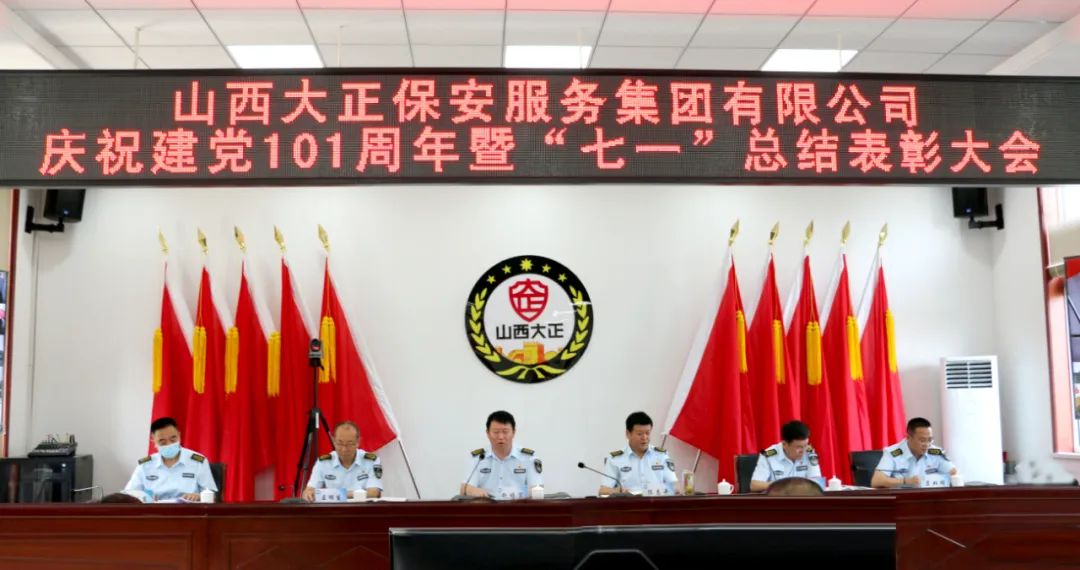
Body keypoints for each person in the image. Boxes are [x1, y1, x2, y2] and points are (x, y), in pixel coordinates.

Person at [124, 417, 217, 502]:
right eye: (162, 442)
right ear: (153, 440)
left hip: (187, 510)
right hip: (154, 511)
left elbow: (212, 494)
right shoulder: (145, 465)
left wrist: (199, 496)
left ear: (179, 435)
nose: (169, 444)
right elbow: (129, 494)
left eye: (173, 439)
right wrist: (144, 496)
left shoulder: (198, 461)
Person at [460, 410, 542, 500]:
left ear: (514, 432)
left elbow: (536, 491)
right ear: (488, 433)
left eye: (505, 432)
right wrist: (474, 491)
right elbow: (464, 489)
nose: (500, 437)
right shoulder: (478, 458)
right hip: (487, 507)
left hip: (518, 507)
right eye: (496, 432)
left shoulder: (529, 458)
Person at [599, 411, 677, 496]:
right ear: (628, 434)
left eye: (647, 433)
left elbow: (673, 486)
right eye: (639, 434)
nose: (644, 437)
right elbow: (603, 491)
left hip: (656, 502)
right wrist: (616, 491)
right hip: (629, 503)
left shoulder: (661, 455)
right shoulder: (615, 459)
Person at [303, 421, 383, 502]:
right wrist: (308, 493)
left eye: (349, 444)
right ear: (334, 441)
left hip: (362, 507)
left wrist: (338, 494)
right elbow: (309, 490)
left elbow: (374, 492)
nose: (344, 449)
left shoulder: (371, 461)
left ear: (358, 442)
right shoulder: (323, 463)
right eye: (340, 443)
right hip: (333, 509)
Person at [872, 417, 958, 489]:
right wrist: (905, 481)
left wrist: (951, 476)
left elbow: (954, 474)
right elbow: (877, 481)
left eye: (930, 440)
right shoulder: (893, 453)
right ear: (908, 437)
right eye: (922, 440)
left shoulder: (936, 452)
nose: (927, 444)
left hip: (930, 499)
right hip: (902, 499)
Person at [750, 420, 822, 493]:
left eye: (806, 445)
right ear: (784, 444)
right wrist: (780, 485)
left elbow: (817, 482)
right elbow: (754, 485)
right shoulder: (767, 455)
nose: (803, 451)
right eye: (799, 447)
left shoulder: (810, 453)